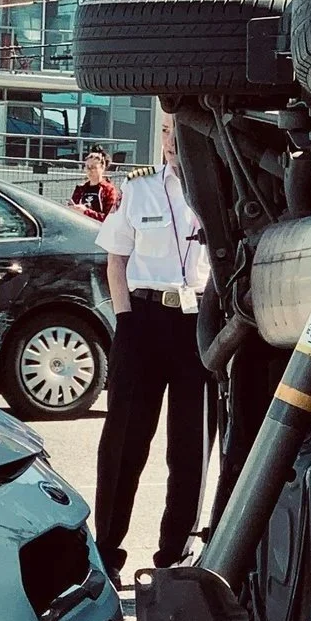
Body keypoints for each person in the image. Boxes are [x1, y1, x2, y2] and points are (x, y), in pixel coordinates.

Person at [93, 112, 213, 575]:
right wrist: (125, 321)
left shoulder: (217, 188)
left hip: (197, 324)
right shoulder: (139, 188)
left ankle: (173, 556)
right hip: (143, 320)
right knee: (124, 441)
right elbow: (115, 261)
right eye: (163, 131)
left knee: (191, 447)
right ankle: (106, 553)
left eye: (175, 130)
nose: (169, 140)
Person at [70, 148, 118, 221]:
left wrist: (86, 212)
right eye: (87, 167)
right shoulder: (80, 189)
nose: (89, 171)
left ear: (102, 168)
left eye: (93, 168)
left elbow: (110, 219)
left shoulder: (108, 190)